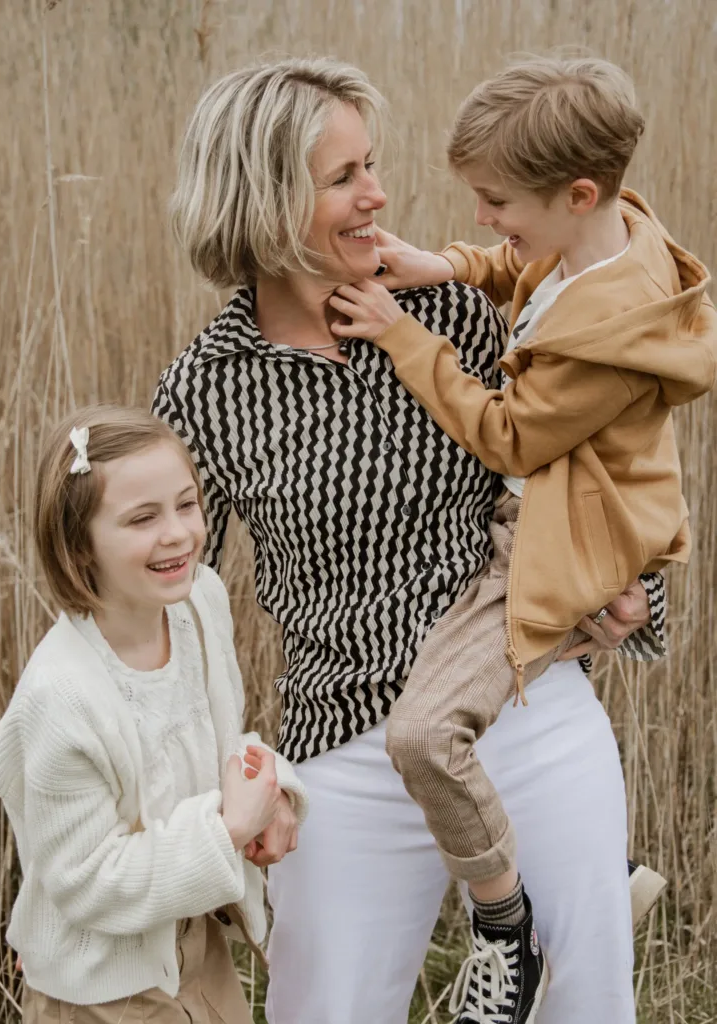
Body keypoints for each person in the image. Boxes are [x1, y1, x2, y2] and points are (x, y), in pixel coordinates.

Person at [153, 57, 668, 1024]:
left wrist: (639, 592)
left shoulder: (454, 315)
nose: (378, 195)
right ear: (265, 200)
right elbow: (173, 611)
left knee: (586, 997)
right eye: (344, 176)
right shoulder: (205, 390)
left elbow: (598, 455)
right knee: (326, 1009)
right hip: (341, 735)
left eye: (372, 166)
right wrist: (213, 796)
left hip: (521, 697)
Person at [332, 55, 717, 1021]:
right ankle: (593, 868)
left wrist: (399, 333)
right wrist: (446, 268)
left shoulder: (610, 330)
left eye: (495, 200)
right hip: (575, 524)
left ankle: (505, 925)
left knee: (423, 732)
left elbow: (509, 430)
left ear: (579, 191)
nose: (480, 218)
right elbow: (527, 269)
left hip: (548, 534)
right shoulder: (609, 236)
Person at [0, 405, 308, 1024]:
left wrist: (272, 793)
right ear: (78, 545)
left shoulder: (199, 604)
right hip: (102, 989)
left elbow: (222, 738)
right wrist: (228, 831)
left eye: (187, 505)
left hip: (194, 950)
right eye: (142, 518)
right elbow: (86, 881)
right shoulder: (63, 697)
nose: (179, 534)